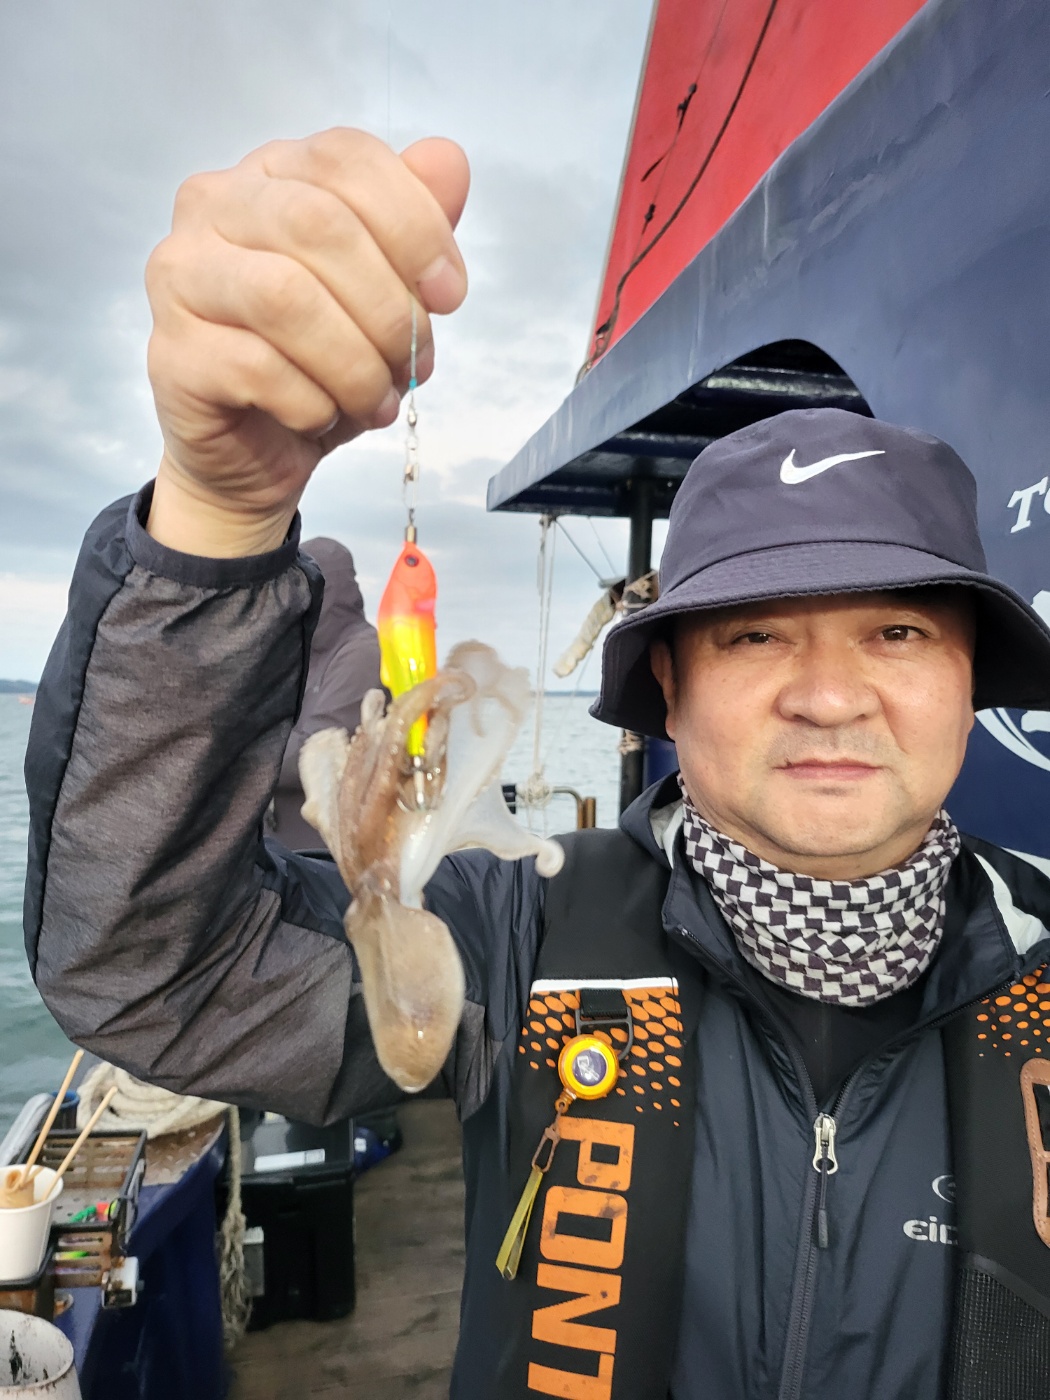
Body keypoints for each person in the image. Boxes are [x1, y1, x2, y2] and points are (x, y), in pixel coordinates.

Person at [22, 129, 1050, 1399]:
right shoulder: (522, 935)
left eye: (897, 632)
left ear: (970, 675)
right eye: (755, 634)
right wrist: (215, 516)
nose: (830, 694)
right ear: (667, 682)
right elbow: (154, 969)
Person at [270, 534, 380, 850]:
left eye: (298, 587)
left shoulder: (364, 653)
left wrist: (237, 753)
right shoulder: (304, 654)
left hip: (330, 862)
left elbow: (319, 751)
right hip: (287, 856)